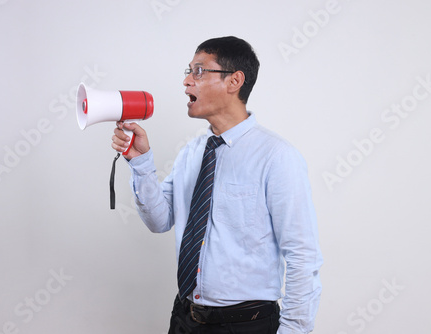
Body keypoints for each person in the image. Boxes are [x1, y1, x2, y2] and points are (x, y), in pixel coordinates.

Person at [112, 36, 323, 334]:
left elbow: (303, 255)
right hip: (185, 318)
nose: (186, 81)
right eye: (188, 71)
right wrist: (141, 162)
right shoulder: (192, 151)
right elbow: (160, 221)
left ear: (234, 81)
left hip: (247, 325)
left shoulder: (276, 156)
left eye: (199, 71)